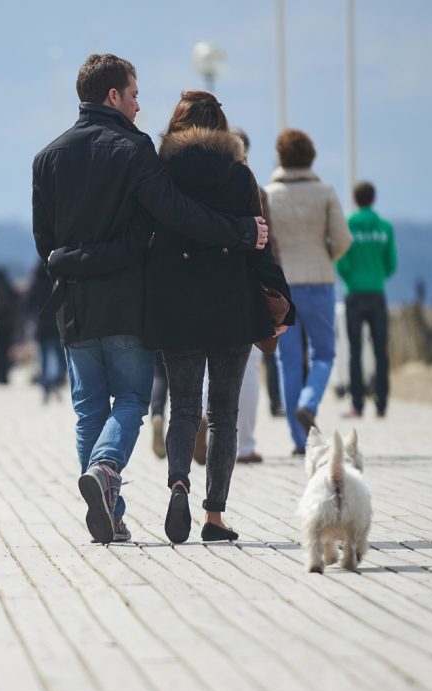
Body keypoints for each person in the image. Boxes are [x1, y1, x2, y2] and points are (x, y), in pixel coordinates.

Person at [32, 54, 269, 545]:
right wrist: (242, 231)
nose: (140, 106)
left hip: (73, 306)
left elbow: (44, 242)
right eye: (135, 94)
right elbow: (176, 214)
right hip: (123, 300)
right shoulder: (134, 149)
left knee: (88, 410)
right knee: (134, 400)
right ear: (113, 96)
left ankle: (112, 515)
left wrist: (72, 263)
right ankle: (105, 469)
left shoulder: (47, 157)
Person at [143, 91, 294, 544]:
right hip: (232, 305)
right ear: (222, 127)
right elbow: (260, 245)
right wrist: (281, 300)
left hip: (178, 308)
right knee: (223, 414)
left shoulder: (160, 173)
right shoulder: (239, 175)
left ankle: (177, 484)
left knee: (183, 407)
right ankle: (214, 517)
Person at [264, 130, 353, 453]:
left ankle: (299, 441)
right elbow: (343, 239)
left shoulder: (269, 193)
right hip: (318, 281)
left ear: (280, 157)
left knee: (287, 361)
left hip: (282, 284)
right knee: (325, 353)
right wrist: (322, 256)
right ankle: (309, 400)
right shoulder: (325, 192)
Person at [230, 127, 275, 464]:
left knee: (205, 366)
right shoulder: (258, 191)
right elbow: (269, 249)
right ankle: (245, 444)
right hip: (250, 289)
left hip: (208, 290)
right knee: (249, 370)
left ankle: (203, 419)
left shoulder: (200, 187)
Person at [338, 180, 397, 418]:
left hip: (354, 293)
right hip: (377, 293)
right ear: (374, 199)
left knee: (355, 350)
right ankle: (382, 403)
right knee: (381, 350)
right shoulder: (385, 227)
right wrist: (377, 276)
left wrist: (351, 278)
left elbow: (341, 260)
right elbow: (391, 263)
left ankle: (357, 404)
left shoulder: (348, 224)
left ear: (354, 199)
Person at [26, 262, 65, 403]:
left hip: (41, 326)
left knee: (43, 360)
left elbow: (28, 305)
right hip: (56, 326)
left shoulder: (35, 284)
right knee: (61, 358)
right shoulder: (54, 282)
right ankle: (55, 379)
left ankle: (45, 385)